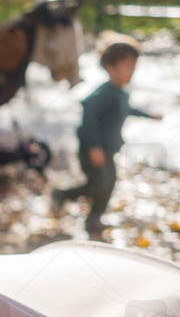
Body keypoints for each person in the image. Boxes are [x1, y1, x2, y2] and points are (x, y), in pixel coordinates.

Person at [51, 32, 162, 239]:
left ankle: (95, 217)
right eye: (128, 66)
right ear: (111, 67)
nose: (132, 72)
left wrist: (148, 115)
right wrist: (93, 147)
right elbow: (88, 111)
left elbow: (125, 109)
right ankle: (63, 194)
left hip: (107, 151)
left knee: (109, 183)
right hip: (92, 150)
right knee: (99, 184)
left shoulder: (120, 92)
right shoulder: (106, 92)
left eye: (134, 67)